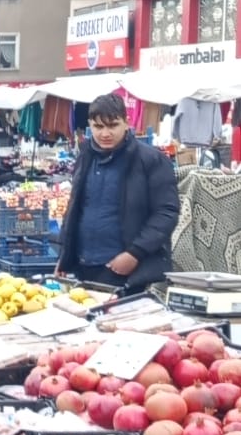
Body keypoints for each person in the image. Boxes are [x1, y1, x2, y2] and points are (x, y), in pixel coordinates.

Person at [58, 92, 180, 291]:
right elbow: (75, 207)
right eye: (98, 127)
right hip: (83, 267)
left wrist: (135, 253)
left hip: (129, 271)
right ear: (90, 125)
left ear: (126, 122)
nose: (105, 134)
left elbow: (166, 213)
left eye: (113, 125)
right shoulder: (85, 156)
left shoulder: (151, 160)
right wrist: (65, 254)